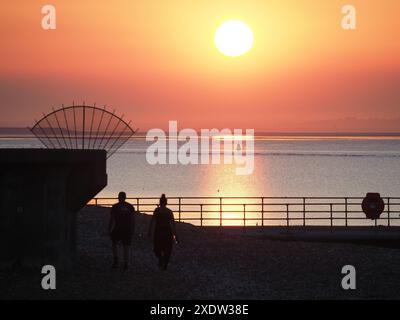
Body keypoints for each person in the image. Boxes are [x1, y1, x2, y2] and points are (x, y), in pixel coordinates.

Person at [148, 194, 178, 270]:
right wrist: (175, 235)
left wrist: (149, 231)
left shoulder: (157, 210)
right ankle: (165, 262)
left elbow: (152, 221)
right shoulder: (169, 211)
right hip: (168, 231)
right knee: (167, 248)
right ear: (166, 203)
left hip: (158, 231)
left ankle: (161, 259)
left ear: (160, 202)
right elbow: (173, 224)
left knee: (157, 248)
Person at [108, 191, 136, 270]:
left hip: (118, 228)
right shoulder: (130, 207)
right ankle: (126, 263)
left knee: (114, 244)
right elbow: (133, 220)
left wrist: (109, 229)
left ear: (118, 197)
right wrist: (133, 229)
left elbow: (112, 219)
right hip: (127, 229)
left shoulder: (115, 207)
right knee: (126, 246)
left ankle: (116, 260)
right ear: (125, 197)